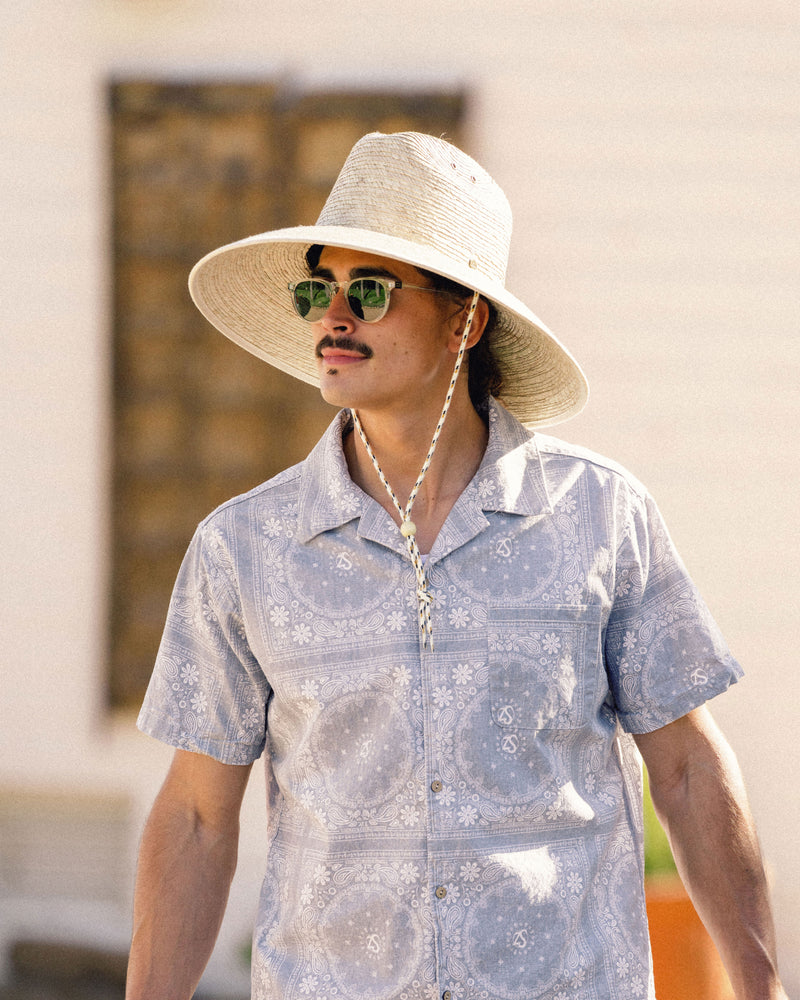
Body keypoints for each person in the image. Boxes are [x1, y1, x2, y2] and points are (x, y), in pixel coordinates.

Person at [126, 131, 788, 1000]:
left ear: (464, 322)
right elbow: (197, 818)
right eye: (318, 291)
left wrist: (762, 986)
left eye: (370, 290)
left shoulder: (600, 514)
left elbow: (690, 769)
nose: (335, 316)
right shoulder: (243, 547)